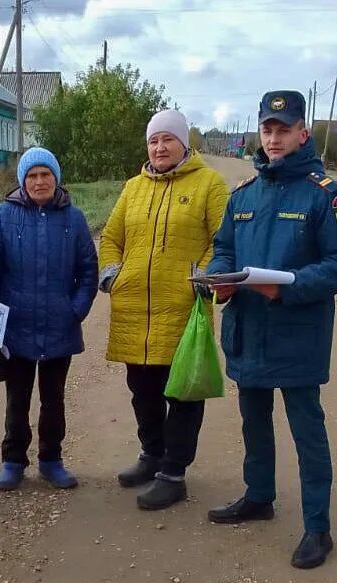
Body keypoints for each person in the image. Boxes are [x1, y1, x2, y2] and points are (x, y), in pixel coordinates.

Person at [206, 91, 337, 569]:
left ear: (303, 133)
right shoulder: (243, 196)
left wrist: (292, 286)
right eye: (267, 129)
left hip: (298, 331)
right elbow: (224, 249)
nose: (274, 138)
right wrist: (220, 278)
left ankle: (318, 527)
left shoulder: (327, 194)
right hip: (248, 329)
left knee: (307, 431)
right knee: (253, 420)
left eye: (284, 129)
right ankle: (259, 497)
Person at [98, 109, 229, 510]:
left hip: (183, 309)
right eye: (153, 141)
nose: (159, 147)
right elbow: (111, 236)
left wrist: (202, 281)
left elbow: (223, 240)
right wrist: (113, 276)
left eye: (167, 139)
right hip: (134, 308)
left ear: (183, 143)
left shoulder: (209, 184)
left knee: (184, 392)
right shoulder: (133, 187)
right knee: (143, 391)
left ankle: (174, 472)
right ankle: (151, 454)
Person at [0, 147, 98, 491]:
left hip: (59, 326)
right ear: (22, 181)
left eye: (45, 174)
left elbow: (87, 271)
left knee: (54, 398)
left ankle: (51, 459)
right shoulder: (3, 216)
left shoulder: (73, 219)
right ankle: (13, 460)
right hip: (14, 328)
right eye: (32, 176)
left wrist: (75, 309)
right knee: (17, 399)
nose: (39, 181)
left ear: (56, 179)